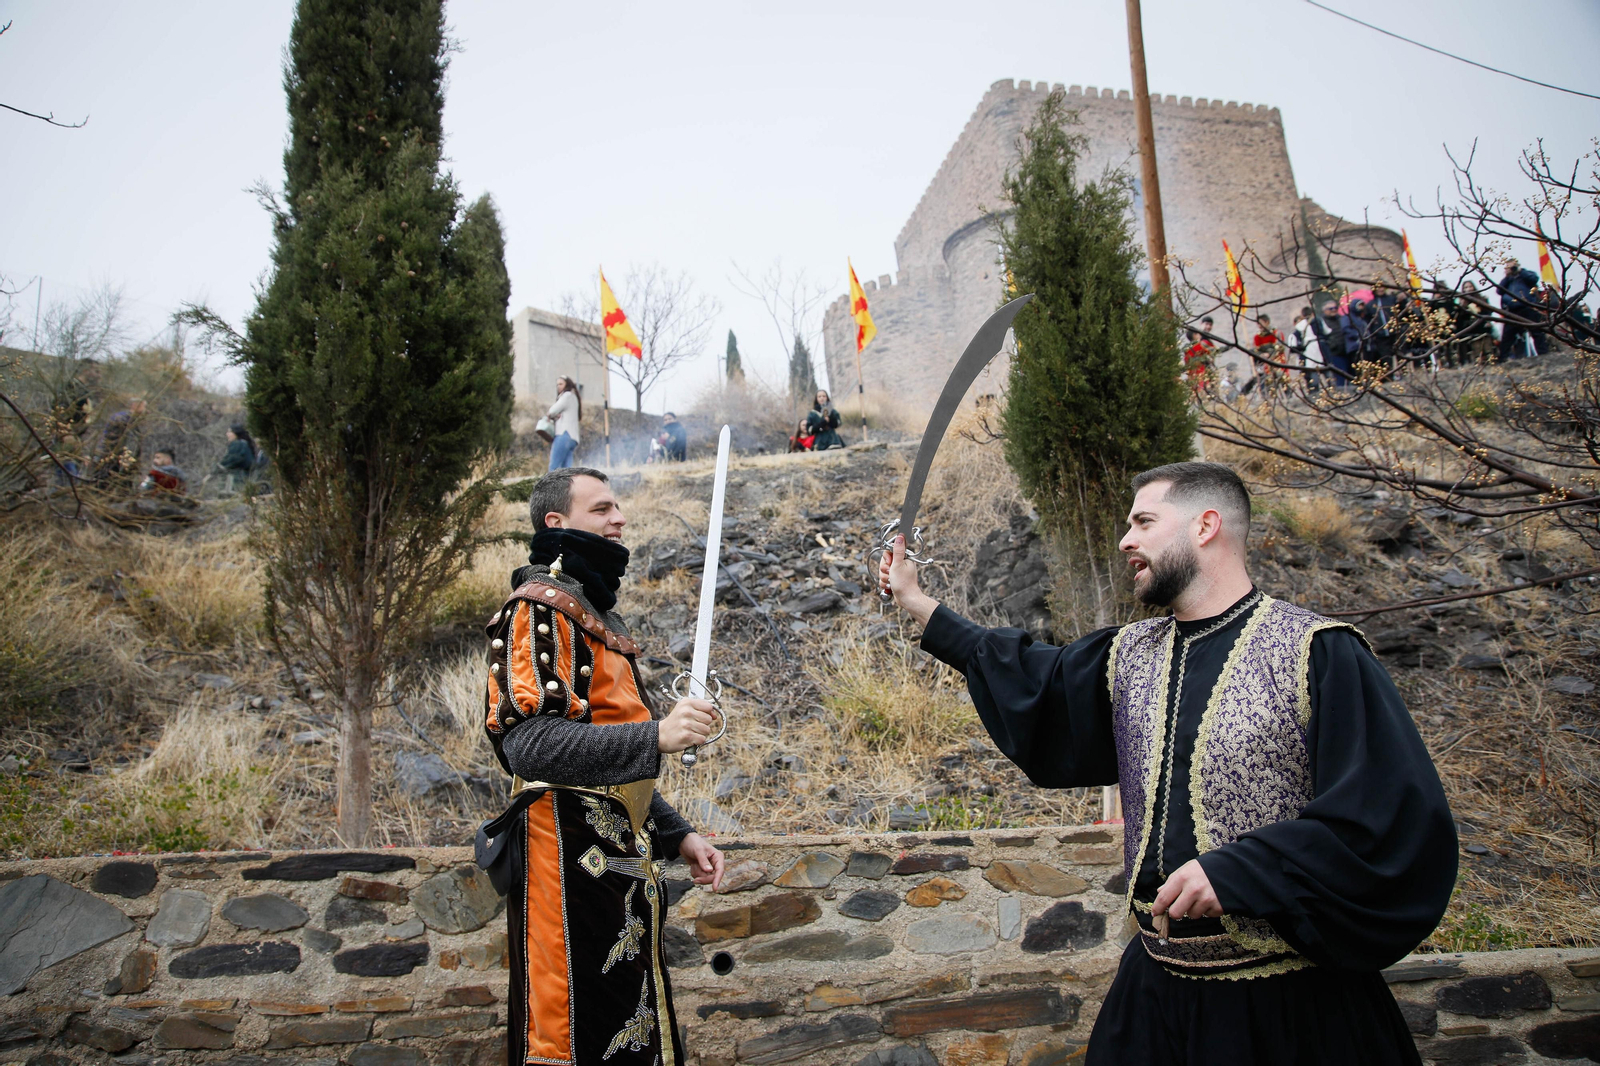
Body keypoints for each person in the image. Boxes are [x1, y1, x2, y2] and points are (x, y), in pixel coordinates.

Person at [877, 461, 1455, 1066]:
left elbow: (1389, 816)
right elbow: (1031, 679)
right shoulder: (1130, 656)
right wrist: (918, 602)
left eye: (1144, 521)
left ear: (1206, 526)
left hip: (1290, 1009)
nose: (1126, 539)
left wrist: (1246, 870)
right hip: (1153, 999)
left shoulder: (1316, 651)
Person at [483, 467, 725, 1066]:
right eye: (602, 509)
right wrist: (658, 735)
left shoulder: (590, 614)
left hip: (619, 862)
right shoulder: (534, 610)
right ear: (556, 523)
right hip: (563, 857)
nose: (619, 519)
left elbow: (613, 749)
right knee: (572, 1030)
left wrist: (677, 834)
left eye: (618, 508)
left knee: (632, 1026)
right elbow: (530, 744)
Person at [1496, 259, 1541, 361]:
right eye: (1508, 267)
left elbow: (1533, 279)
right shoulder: (1507, 280)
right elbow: (1499, 290)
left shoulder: (1526, 274)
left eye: (1513, 266)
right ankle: (1503, 358)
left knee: (1537, 332)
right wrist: (1507, 276)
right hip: (1512, 310)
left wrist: (1520, 271)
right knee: (1507, 336)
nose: (1511, 269)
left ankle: (1543, 353)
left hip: (1528, 307)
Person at [95, 397, 146, 486]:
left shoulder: (129, 420)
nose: (145, 410)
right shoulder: (124, 420)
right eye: (144, 406)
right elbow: (127, 444)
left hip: (116, 461)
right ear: (136, 405)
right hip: (114, 463)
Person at [1310, 300, 1352, 388]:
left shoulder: (1341, 319)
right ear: (1325, 310)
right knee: (1339, 376)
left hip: (1345, 350)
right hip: (1334, 352)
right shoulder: (1322, 321)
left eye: (1335, 308)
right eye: (1331, 308)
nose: (1334, 310)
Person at [546, 376, 582, 470]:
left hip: (564, 434)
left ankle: (550, 485)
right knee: (566, 471)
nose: (558, 386)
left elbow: (552, 411)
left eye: (561, 384)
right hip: (573, 437)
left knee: (553, 468)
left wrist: (551, 415)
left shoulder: (566, 395)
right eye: (557, 384)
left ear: (567, 384)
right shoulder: (574, 397)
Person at [1287, 306, 1323, 389]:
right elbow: (1292, 348)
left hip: (1312, 355)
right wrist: (1301, 348)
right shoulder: (1294, 335)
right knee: (1309, 377)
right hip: (1303, 358)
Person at [217, 424, 259, 492]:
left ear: (236, 433)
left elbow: (231, 460)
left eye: (230, 431)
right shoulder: (245, 444)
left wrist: (217, 468)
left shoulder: (238, 444)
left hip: (237, 480)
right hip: (245, 479)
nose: (227, 434)